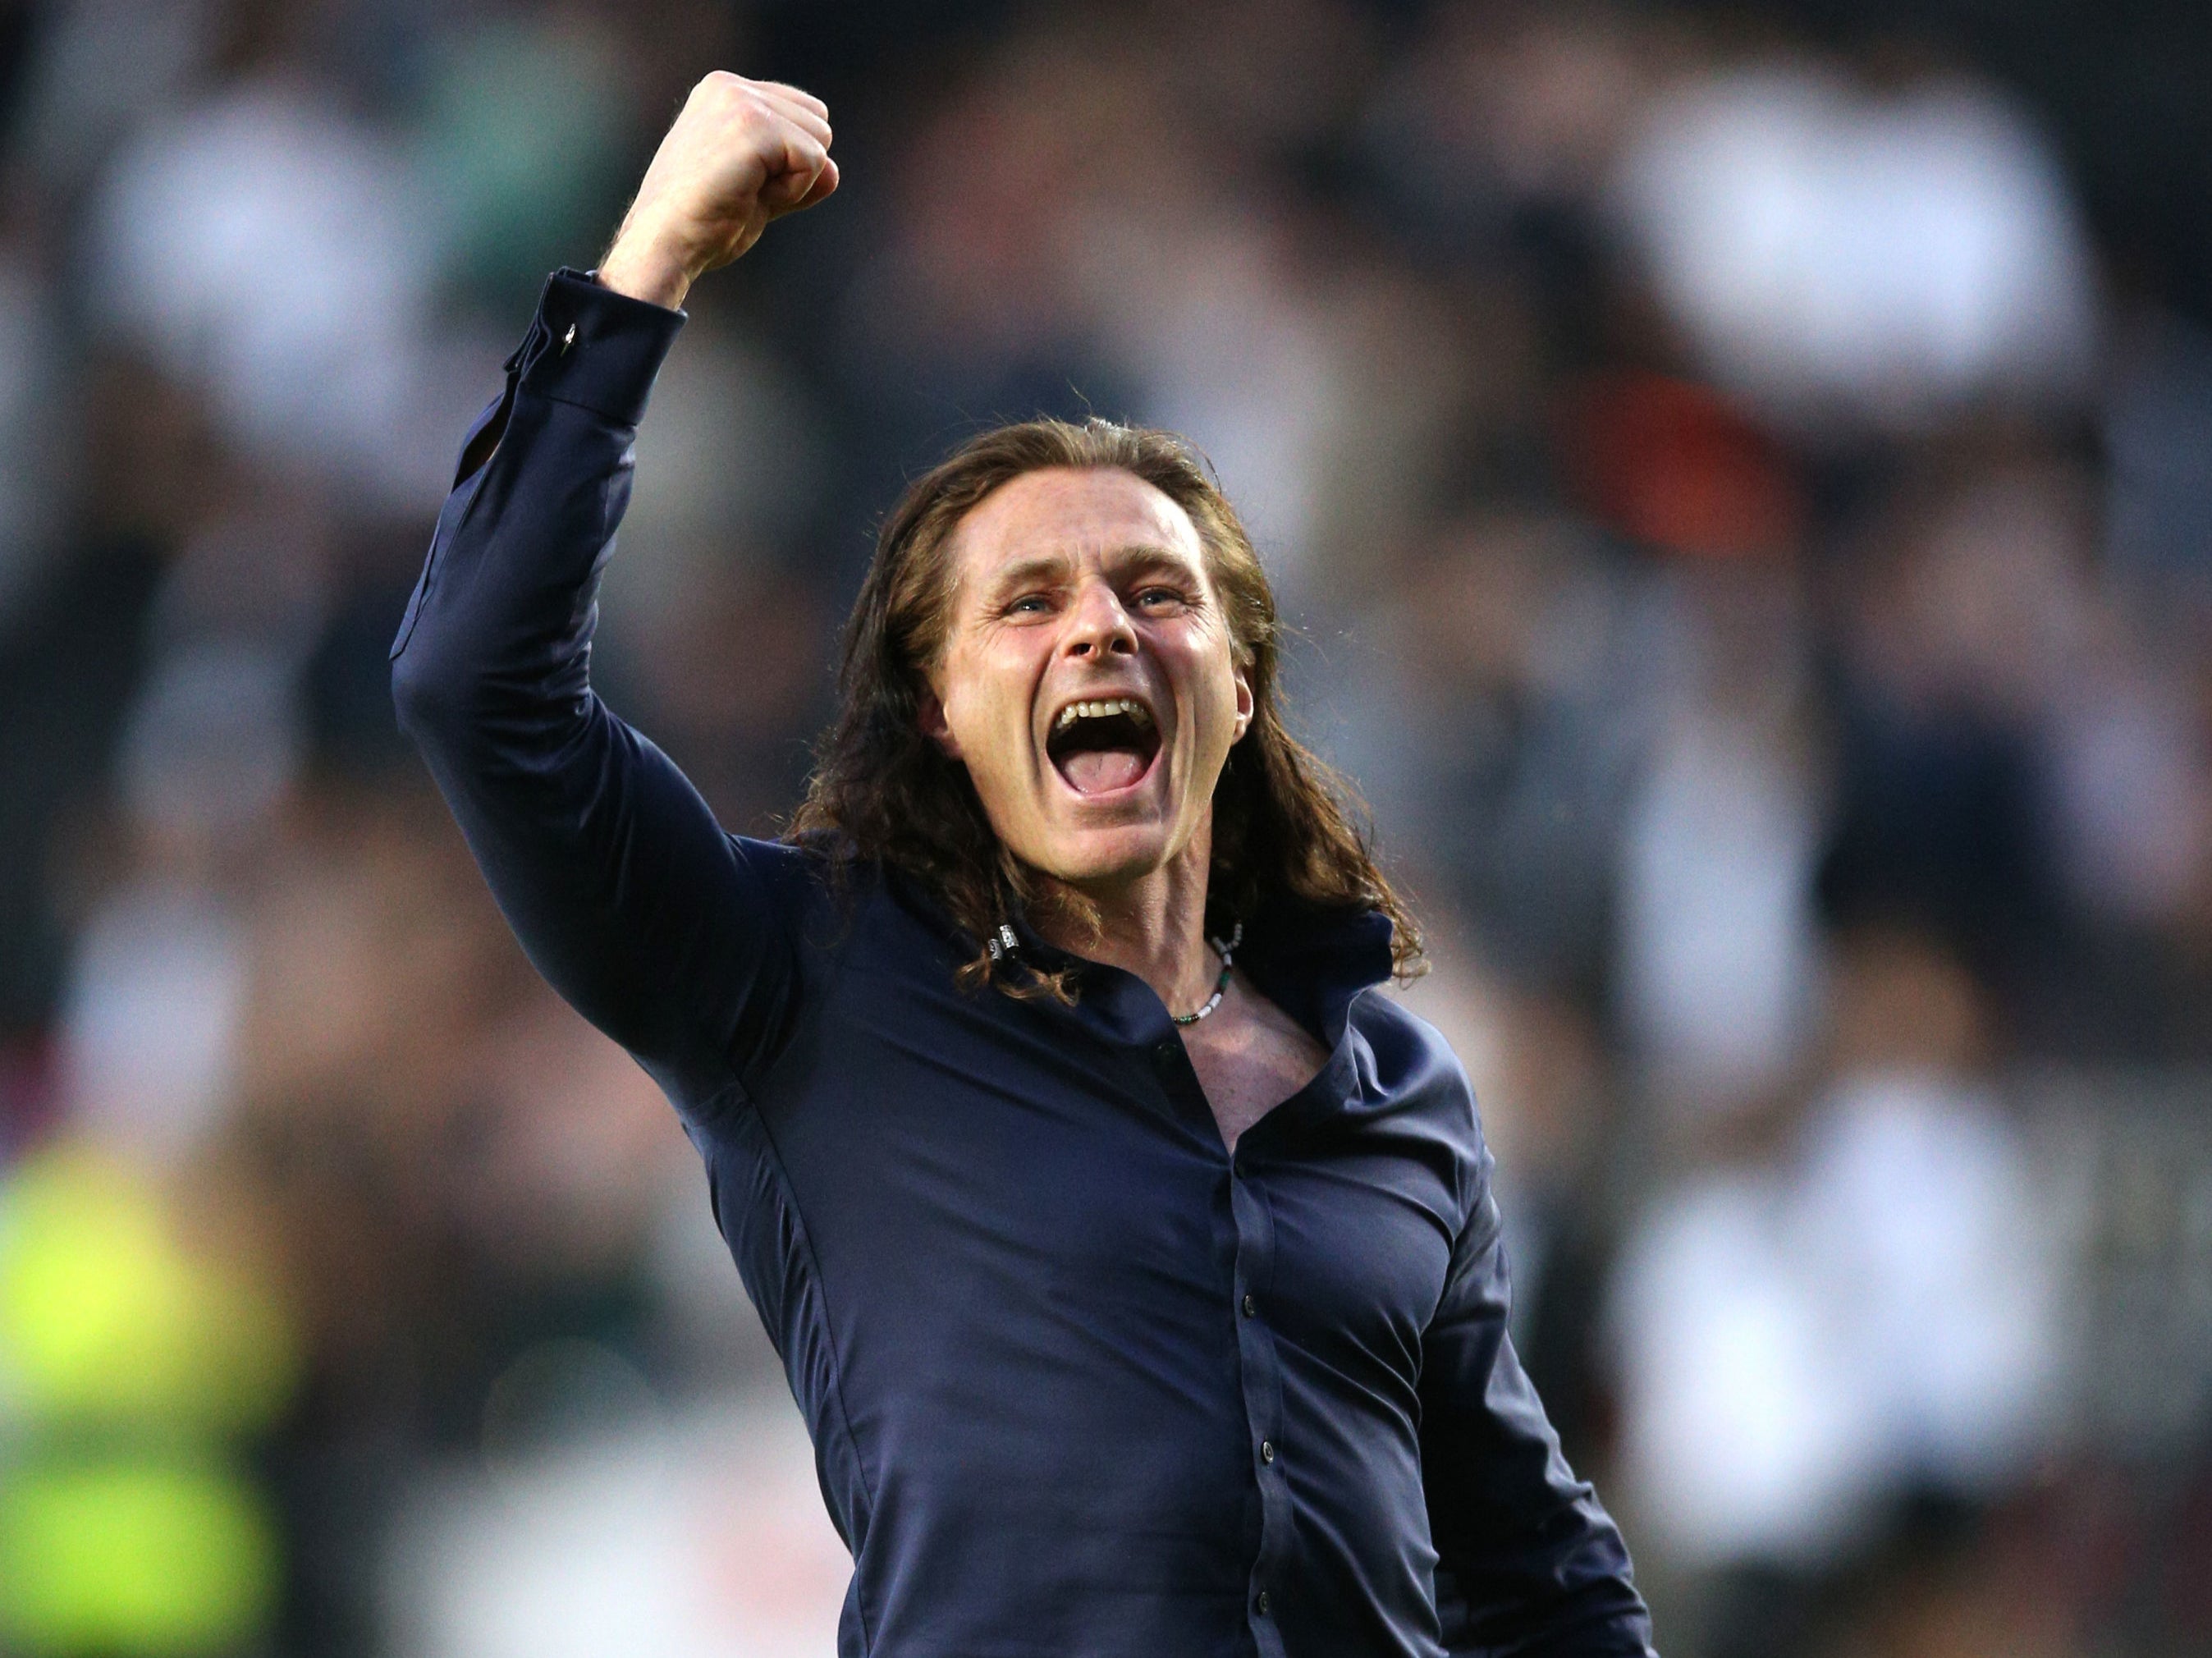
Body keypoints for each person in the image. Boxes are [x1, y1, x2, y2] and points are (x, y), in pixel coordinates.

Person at [392, 71, 1655, 1658]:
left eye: (1154, 589)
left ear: (1241, 685)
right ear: (940, 714)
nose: (1102, 626)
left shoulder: (1395, 1082)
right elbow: (476, 687)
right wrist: (651, 262)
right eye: (1026, 602)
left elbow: (1542, 1578)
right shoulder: (808, 985)